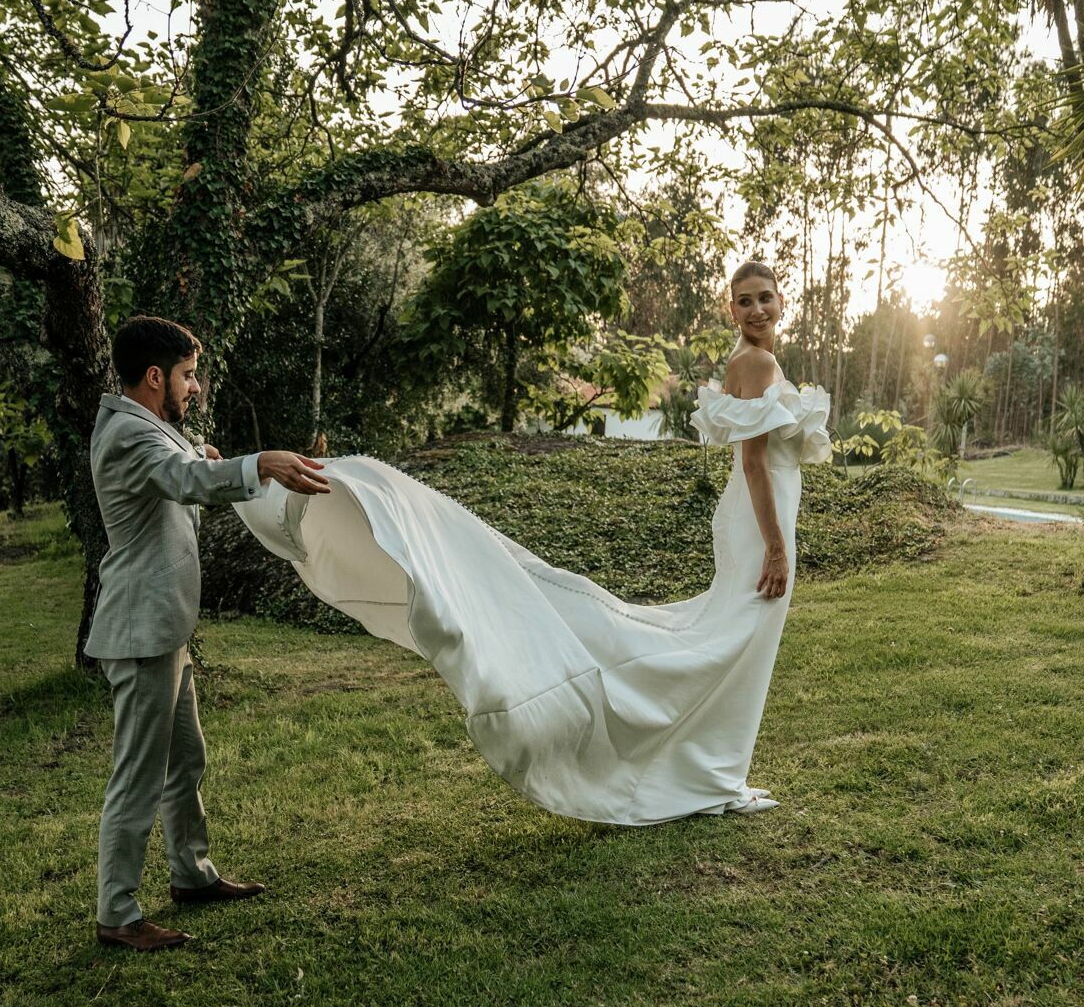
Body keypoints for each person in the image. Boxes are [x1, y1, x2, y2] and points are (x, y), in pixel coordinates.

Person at [230, 262, 829, 825]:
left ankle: (715, 771)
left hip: (759, 515)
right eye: (745, 301)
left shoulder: (753, 361)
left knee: (738, 638)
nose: (757, 309)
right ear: (731, 311)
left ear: (783, 302)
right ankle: (710, 775)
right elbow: (753, 464)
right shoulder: (755, 365)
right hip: (761, 521)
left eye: (765, 298)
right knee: (735, 639)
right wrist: (776, 547)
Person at [86, 316, 330, 951]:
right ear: (154, 376)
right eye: (188, 375)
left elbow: (183, 468)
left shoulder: (150, 427)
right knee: (138, 775)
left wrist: (208, 459)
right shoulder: (126, 435)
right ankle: (117, 913)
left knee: (184, 759)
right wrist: (260, 464)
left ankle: (191, 876)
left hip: (167, 627)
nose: (194, 387)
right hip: (142, 632)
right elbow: (182, 479)